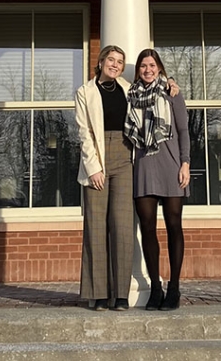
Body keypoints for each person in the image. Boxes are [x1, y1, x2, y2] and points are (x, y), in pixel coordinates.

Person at [125, 48, 190, 311]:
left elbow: (184, 130)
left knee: (174, 224)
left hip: (172, 165)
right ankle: (155, 288)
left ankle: (174, 287)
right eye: (143, 66)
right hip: (144, 166)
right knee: (148, 228)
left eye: (152, 65)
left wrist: (185, 163)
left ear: (159, 68)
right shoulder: (130, 96)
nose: (147, 70)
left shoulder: (172, 93)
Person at [74, 44, 135, 311]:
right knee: (96, 229)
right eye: (111, 60)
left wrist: (171, 83)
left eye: (120, 62)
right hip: (96, 158)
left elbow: (153, 92)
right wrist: (93, 167)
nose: (115, 65)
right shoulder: (85, 92)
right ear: (100, 62)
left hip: (124, 157)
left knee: (122, 227)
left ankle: (121, 294)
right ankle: (98, 294)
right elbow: (83, 132)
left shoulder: (128, 89)